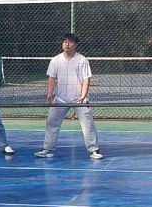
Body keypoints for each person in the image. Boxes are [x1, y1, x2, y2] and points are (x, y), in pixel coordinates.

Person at [35, 32, 102, 160]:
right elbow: (52, 79)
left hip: (80, 99)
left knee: (87, 125)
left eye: (70, 42)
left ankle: (94, 150)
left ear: (75, 45)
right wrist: (49, 94)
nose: (67, 44)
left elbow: (86, 79)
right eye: (65, 41)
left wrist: (83, 96)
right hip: (60, 99)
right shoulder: (55, 60)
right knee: (51, 123)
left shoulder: (82, 60)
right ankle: (48, 149)